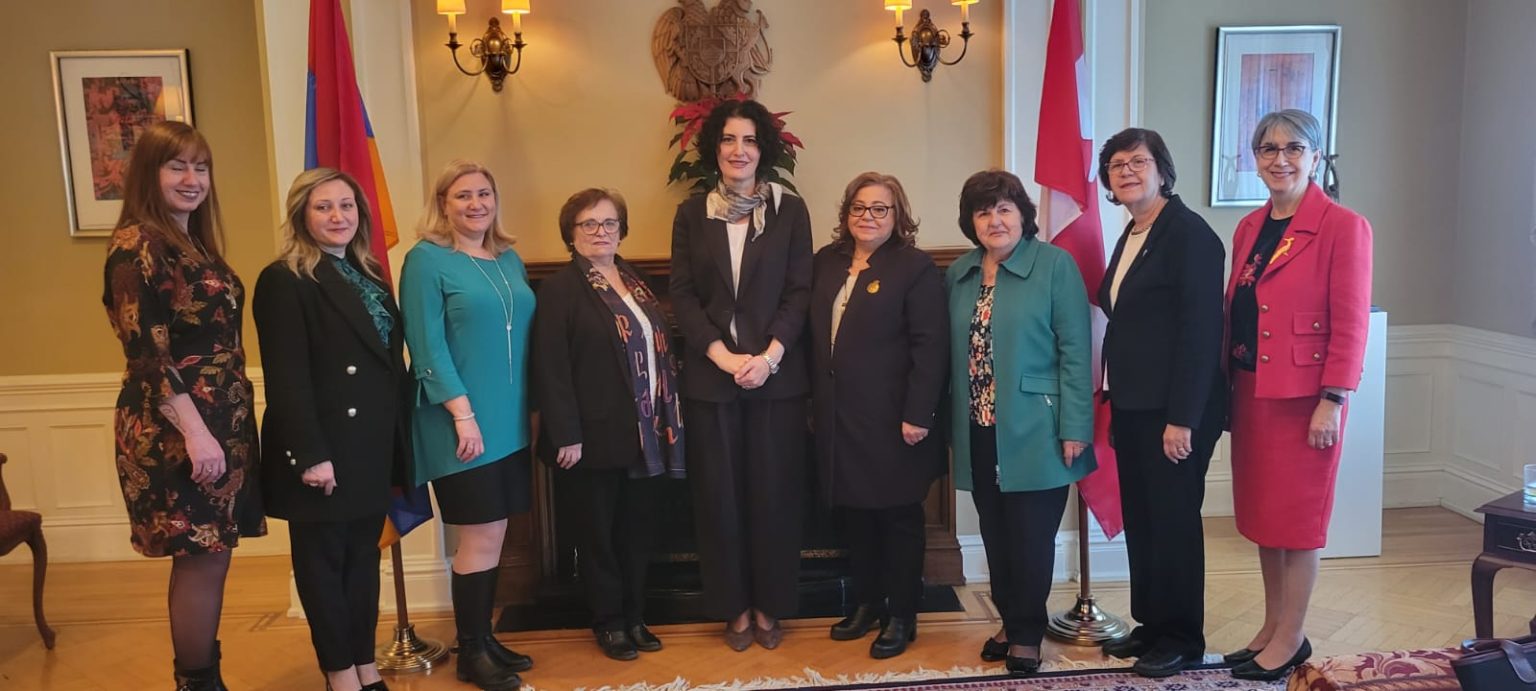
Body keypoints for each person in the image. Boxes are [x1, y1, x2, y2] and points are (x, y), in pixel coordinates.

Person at [101, 120, 265, 690]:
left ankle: (202, 679)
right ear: (150, 173)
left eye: (201, 166)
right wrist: (196, 433)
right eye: (177, 166)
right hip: (176, 428)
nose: (192, 179)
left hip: (219, 422)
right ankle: (197, 683)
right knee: (199, 557)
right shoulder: (136, 246)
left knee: (211, 555)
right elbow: (149, 355)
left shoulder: (189, 242)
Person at [1222, 109, 1373, 681]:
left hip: (1307, 400)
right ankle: (1271, 626)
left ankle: (1292, 637)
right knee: (1266, 519)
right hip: (1252, 391)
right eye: (1268, 148)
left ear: (1316, 156)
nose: (1279, 159)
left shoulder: (1343, 226)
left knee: (1299, 522)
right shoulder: (1248, 227)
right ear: (1255, 158)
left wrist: (1333, 399)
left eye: (1293, 148)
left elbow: (1351, 324)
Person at [253, 168, 409, 691]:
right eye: (323, 207)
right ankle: (339, 673)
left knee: (362, 562)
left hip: (369, 446)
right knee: (324, 566)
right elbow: (287, 378)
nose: (338, 216)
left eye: (346, 206)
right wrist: (311, 454)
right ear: (302, 215)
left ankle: (365, 665)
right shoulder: (285, 279)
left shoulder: (367, 273)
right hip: (324, 450)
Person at [669, 98, 813, 651]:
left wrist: (768, 357)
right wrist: (722, 356)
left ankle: (770, 605)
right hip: (713, 380)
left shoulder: (789, 211)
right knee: (720, 500)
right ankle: (733, 608)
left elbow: (799, 292)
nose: (739, 150)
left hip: (777, 378)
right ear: (715, 148)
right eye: (729, 139)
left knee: (774, 497)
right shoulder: (692, 214)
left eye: (749, 140)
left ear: (763, 149)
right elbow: (683, 295)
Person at [945, 169, 1095, 678]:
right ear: (971, 221)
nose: (995, 220)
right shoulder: (960, 273)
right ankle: (1011, 622)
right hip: (978, 427)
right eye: (983, 211)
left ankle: (1028, 634)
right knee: (996, 534)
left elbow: (1076, 350)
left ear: (1023, 215)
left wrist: (1076, 425)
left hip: (1039, 427)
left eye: (1004, 209)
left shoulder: (1055, 266)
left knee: (1031, 537)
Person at [1092, 129, 1226, 678]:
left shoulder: (1190, 235)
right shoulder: (1133, 232)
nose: (1127, 171)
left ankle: (1182, 638)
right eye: (1116, 165)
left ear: (1163, 170)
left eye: (1138, 161)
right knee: (1144, 520)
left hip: (1175, 413)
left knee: (1172, 523)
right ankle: (1151, 625)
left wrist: (1182, 420)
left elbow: (1201, 334)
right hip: (1133, 406)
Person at [531, 188, 685, 661]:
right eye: (589, 224)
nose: (601, 232)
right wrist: (566, 434)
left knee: (636, 534)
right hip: (590, 437)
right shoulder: (560, 289)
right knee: (597, 536)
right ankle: (609, 622)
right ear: (571, 233)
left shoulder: (636, 281)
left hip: (647, 435)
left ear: (621, 229)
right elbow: (551, 366)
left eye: (609, 223)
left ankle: (635, 616)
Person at [400, 161, 535, 691]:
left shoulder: (508, 258)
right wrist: (463, 415)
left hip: (510, 421)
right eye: (462, 196)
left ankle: (484, 637)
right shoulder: (426, 260)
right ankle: (470, 652)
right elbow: (427, 348)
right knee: (477, 534)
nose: (476, 204)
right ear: (443, 204)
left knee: (495, 532)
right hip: (458, 421)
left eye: (484, 193)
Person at [809, 172, 947, 659]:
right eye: (859, 207)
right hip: (838, 418)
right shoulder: (825, 262)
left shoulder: (914, 267)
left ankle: (902, 614)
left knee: (897, 517)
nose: (867, 217)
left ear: (897, 215)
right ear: (846, 213)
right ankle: (867, 604)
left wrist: (919, 413)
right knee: (856, 517)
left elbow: (931, 347)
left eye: (879, 208)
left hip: (895, 419)